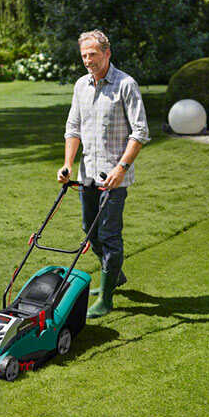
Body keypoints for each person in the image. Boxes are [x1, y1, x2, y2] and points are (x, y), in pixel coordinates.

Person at [57, 30, 150, 318]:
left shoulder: (126, 85)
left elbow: (141, 132)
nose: (88, 60)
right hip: (87, 173)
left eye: (93, 55)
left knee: (109, 235)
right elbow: (73, 128)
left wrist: (122, 168)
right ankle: (115, 275)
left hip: (113, 177)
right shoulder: (81, 86)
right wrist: (68, 164)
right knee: (89, 229)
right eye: (84, 55)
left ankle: (106, 299)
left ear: (107, 53)